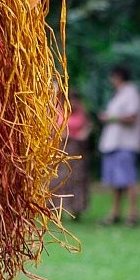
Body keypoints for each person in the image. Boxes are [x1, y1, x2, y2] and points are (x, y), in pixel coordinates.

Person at [97, 67, 140, 226]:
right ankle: (115, 213)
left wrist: (110, 118)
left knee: (129, 180)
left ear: (117, 77)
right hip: (114, 143)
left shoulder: (131, 93)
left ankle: (132, 214)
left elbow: (132, 117)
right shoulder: (120, 94)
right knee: (116, 181)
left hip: (125, 143)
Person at [52, 90, 92, 220]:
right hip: (61, 151)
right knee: (59, 180)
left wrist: (84, 134)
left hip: (77, 152)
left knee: (77, 180)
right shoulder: (58, 112)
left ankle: (77, 210)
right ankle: (58, 210)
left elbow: (88, 126)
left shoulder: (82, 113)